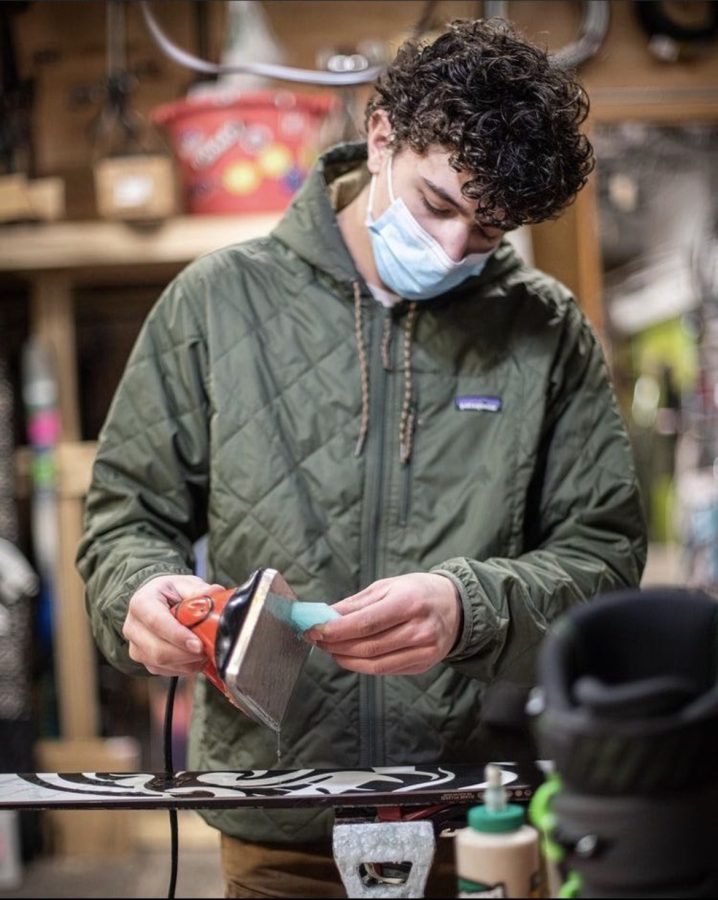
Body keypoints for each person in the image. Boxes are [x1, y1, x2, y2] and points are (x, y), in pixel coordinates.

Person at [77, 17, 647, 898]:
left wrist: (473, 609)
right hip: (280, 820)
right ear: (382, 138)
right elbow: (128, 518)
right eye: (439, 205)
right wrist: (137, 597)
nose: (457, 250)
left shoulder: (545, 329)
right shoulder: (217, 303)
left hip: (482, 813)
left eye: (491, 231)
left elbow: (606, 563)